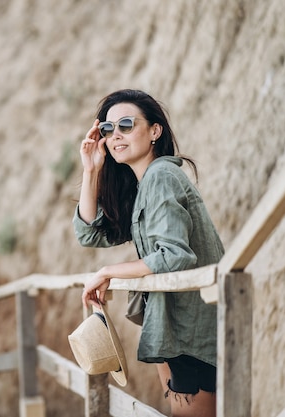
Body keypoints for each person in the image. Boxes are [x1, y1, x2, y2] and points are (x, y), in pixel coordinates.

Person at [73, 89, 224, 417]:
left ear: (155, 131)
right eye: (108, 130)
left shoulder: (161, 177)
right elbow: (89, 232)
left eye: (126, 125)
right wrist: (91, 170)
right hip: (174, 325)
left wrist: (108, 272)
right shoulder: (144, 186)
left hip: (190, 328)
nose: (116, 135)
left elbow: (175, 256)